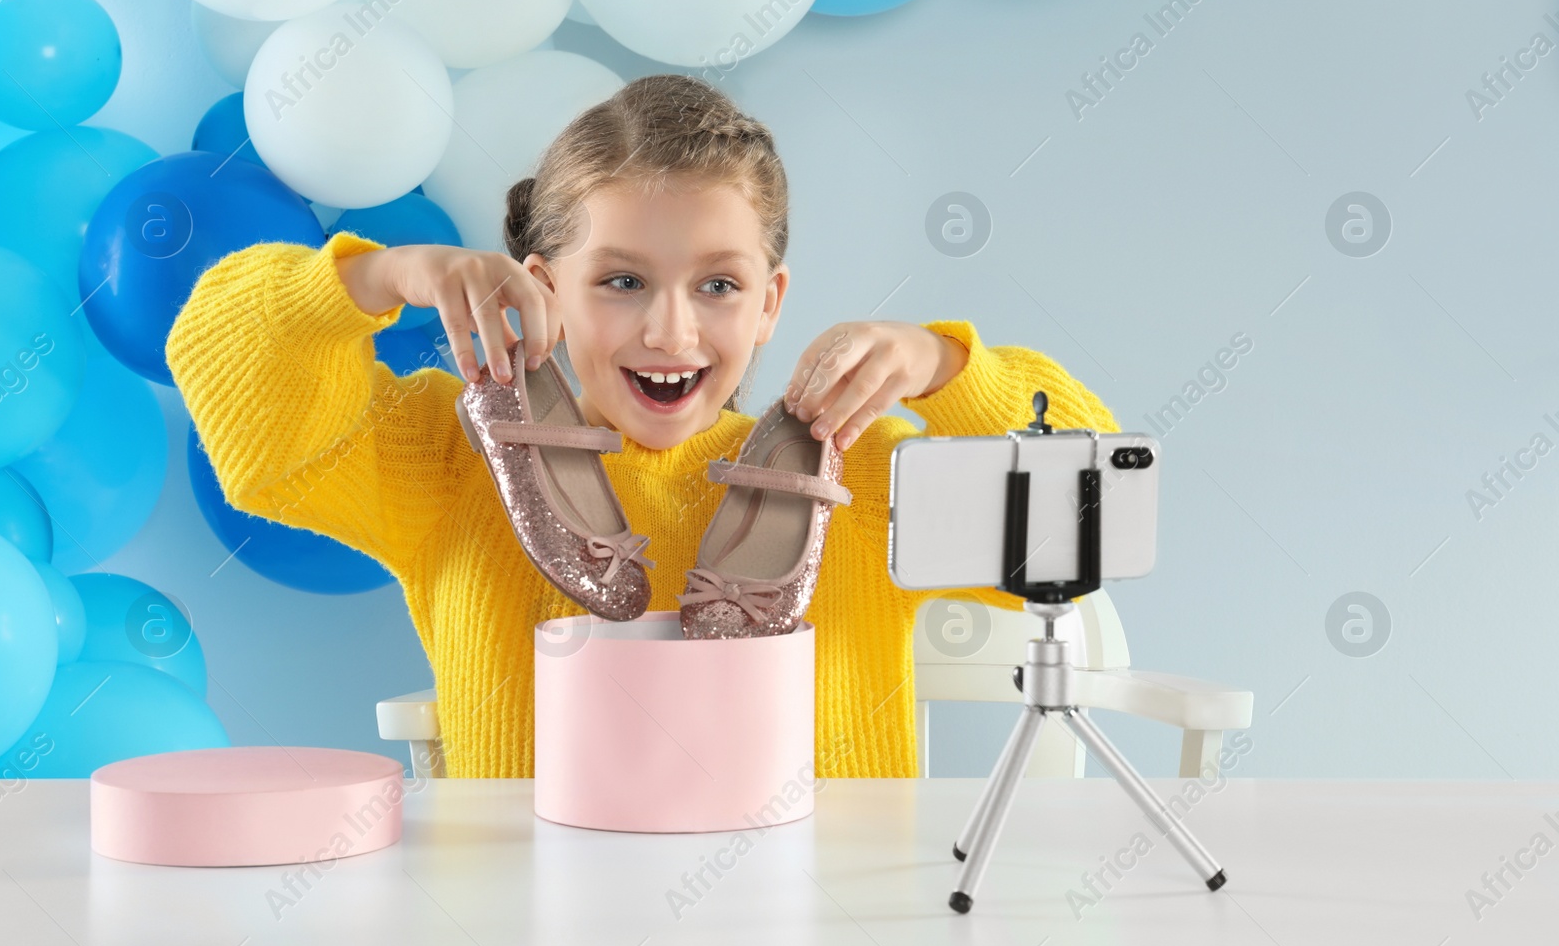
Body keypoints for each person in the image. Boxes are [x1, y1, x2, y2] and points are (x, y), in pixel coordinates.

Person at [165, 73, 1120, 778]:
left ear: (771, 302)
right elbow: (232, 369)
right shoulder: (452, 460)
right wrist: (383, 277)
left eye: (719, 285)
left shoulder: (860, 468)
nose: (671, 329)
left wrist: (950, 367)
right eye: (622, 281)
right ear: (543, 290)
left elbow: (1095, 514)